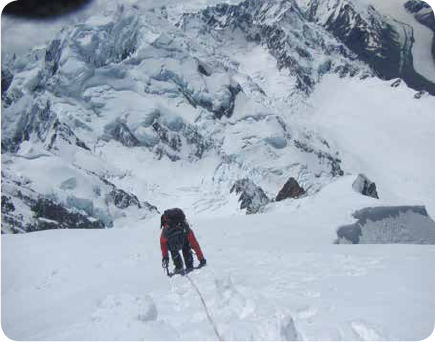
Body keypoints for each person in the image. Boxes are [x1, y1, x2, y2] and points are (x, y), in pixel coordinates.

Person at [160, 208, 206, 273]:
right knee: (186, 245)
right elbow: (194, 243)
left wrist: (165, 258)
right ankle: (189, 265)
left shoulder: (166, 230)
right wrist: (201, 258)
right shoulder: (185, 227)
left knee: (172, 249)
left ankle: (179, 267)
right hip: (183, 240)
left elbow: (163, 245)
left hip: (172, 244)